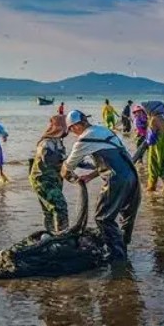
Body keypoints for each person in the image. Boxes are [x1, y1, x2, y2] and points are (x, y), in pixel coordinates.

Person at [61, 110, 141, 258]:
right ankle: (123, 247)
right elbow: (112, 158)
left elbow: (69, 166)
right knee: (126, 214)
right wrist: (90, 176)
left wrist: (65, 174)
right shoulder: (103, 130)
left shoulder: (84, 139)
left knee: (103, 218)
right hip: (131, 175)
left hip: (116, 179)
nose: (72, 133)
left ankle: (117, 257)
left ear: (76, 126)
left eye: (71, 129)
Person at [29, 115, 68, 232]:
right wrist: (66, 160)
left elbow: (66, 161)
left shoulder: (58, 141)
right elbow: (48, 159)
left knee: (49, 210)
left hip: (54, 180)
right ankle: (62, 236)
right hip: (43, 180)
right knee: (59, 207)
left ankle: (51, 235)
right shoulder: (46, 143)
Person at [141, 101, 164, 192]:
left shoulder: (154, 119)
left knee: (154, 165)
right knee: (163, 164)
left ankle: (152, 187)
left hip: (157, 145)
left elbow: (150, 138)